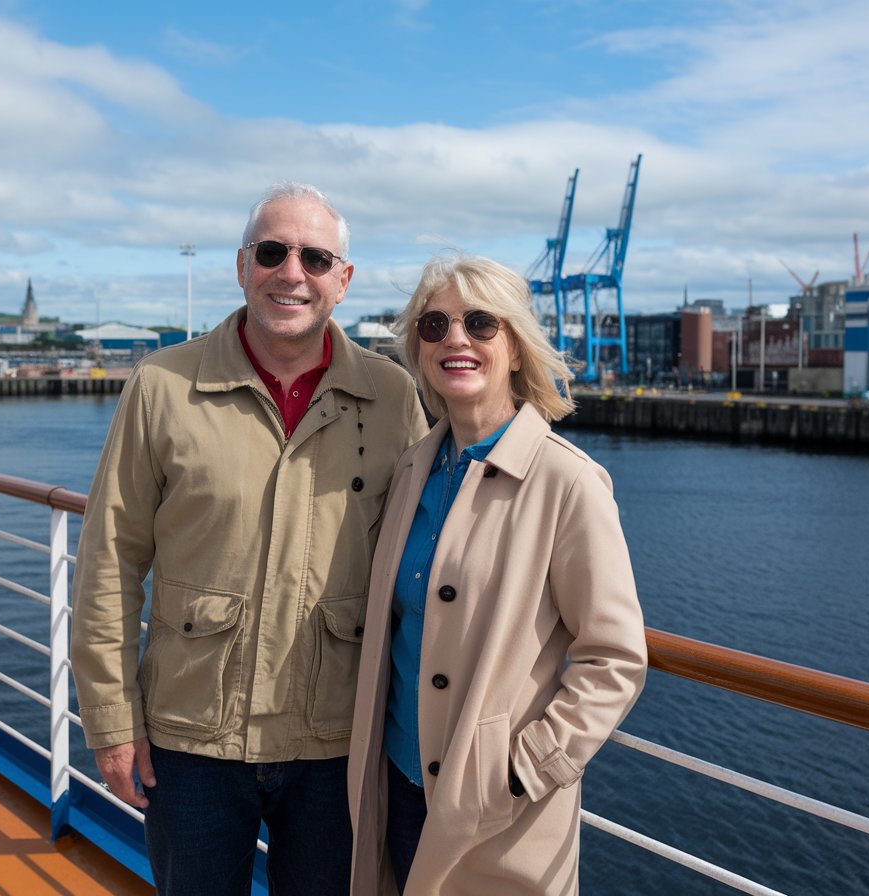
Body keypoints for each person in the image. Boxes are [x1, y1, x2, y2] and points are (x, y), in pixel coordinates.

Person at [71, 182, 428, 896]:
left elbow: (429, 557)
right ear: (242, 266)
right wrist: (111, 721)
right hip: (190, 738)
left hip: (336, 743)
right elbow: (110, 560)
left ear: (343, 281)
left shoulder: (392, 399)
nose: (292, 273)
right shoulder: (163, 386)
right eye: (273, 252)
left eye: (316, 258)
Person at [347, 255, 648, 895]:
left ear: (515, 348)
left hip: (494, 811)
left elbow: (615, 657)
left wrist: (522, 771)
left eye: (480, 323)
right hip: (398, 784)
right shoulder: (413, 472)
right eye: (434, 326)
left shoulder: (567, 482)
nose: (455, 339)